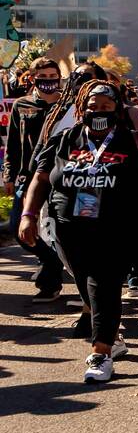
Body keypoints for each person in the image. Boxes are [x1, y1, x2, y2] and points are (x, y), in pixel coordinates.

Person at [17, 81, 138, 382]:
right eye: (92, 107)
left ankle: (100, 353)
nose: (98, 112)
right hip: (69, 229)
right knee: (86, 282)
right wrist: (28, 215)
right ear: (81, 109)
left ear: (118, 109)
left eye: (106, 107)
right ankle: (112, 335)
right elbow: (40, 179)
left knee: (104, 281)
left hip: (122, 228)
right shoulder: (64, 139)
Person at [3, 57, 66, 303]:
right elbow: (13, 147)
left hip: (58, 176)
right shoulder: (22, 105)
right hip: (28, 177)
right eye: (44, 77)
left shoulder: (69, 105)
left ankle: (49, 284)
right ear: (32, 78)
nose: (49, 82)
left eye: (54, 77)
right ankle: (52, 261)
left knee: (57, 229)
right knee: (18, 228)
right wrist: (9, 175)